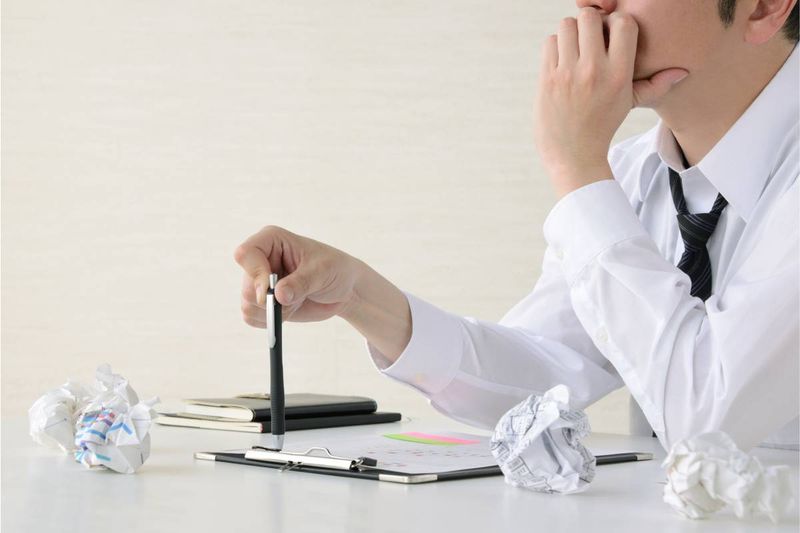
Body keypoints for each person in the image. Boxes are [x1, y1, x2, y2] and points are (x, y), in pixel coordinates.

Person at [234, 0, 799, 451]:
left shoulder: (595, 177)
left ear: (764, 6)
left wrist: (575, 164)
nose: (592, 4)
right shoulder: (631, 175)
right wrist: (359, 295)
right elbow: (542, 379)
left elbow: (709, 425)